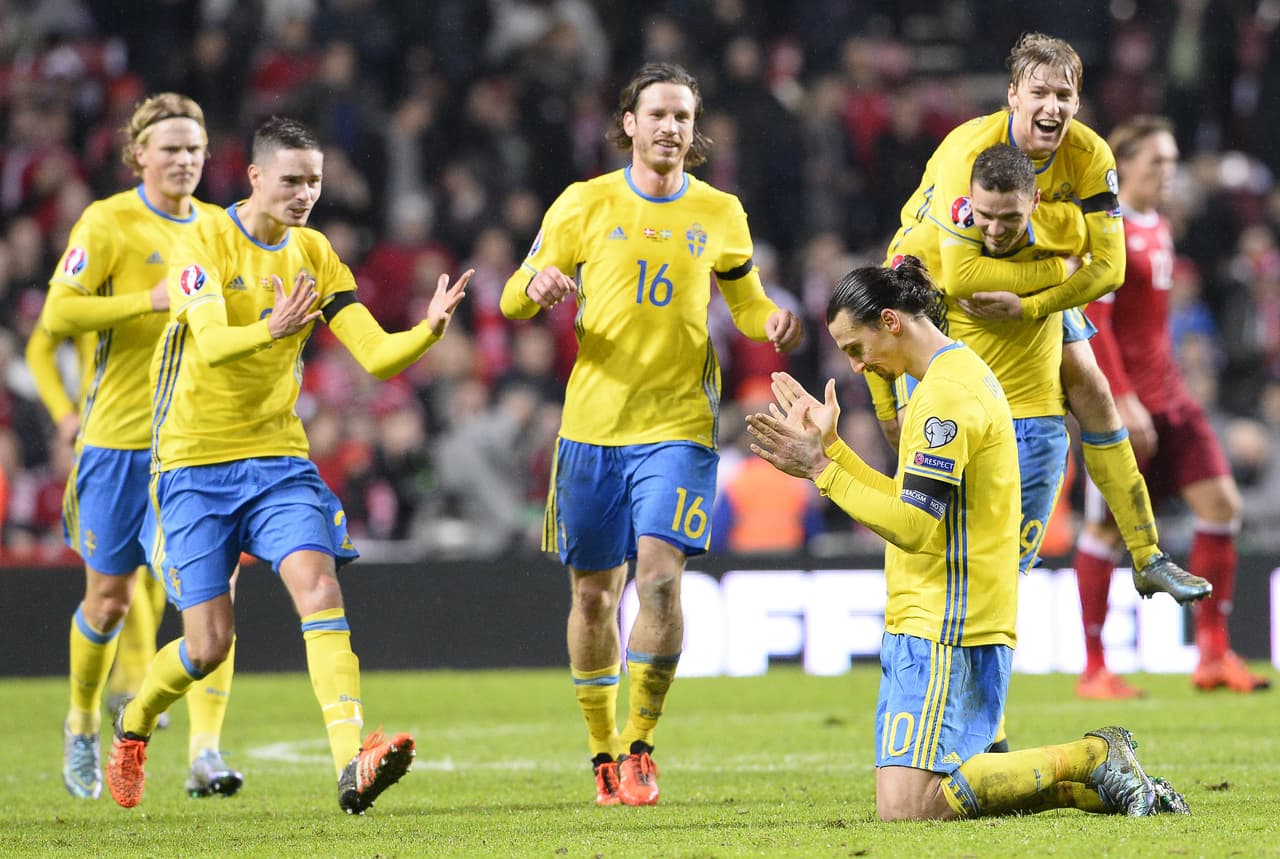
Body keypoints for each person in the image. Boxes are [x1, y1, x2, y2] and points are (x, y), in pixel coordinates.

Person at [105, 116, 473, 814]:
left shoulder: (315, 252)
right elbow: (210, 343)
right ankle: (132, 723)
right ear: (254, 177)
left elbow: (371, 351)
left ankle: (351, 762)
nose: (306, 193)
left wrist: (426, 331)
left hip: (277, 460)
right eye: (292, 179)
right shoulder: (202, 240)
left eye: (315, 181)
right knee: (208, 644)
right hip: (192, 466)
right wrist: (271, 327)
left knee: (319, 586)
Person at [746, 259, 1189, 821]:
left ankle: (1093, 757)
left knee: (910, 806)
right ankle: (1118, 788)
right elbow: (909, 501)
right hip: (954, 613)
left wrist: (821, 472)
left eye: (857, 348)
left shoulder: (945, 400)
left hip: (945, 623)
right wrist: (830, 451)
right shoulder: (954, 377)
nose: (857, 368)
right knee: (934, 795)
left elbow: (911, 526)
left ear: (890, 321)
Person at [500, 62, 803, 807]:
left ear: (695, 132)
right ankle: (601, 751)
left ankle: (640, 744)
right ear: (629, 124)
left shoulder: (720, 211)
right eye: (657, 114)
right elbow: (513, 295)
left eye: (683, 117)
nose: (671, 127)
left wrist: (772, 323)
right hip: (591, 432)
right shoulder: (583, 203)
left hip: (677, 426)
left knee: (661, 578)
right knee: (596, 598)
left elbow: (748, 299)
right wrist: (535, 288)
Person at [866, 32, 1209, 606]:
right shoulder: (964, 154)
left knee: (1095, 391)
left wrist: (1033, 301)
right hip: (929, 277)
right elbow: (967, 276)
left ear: (1077, 101)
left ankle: (1147, 554)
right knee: (940, 422)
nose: (1052, 107)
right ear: (1012, 98)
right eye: (1039, 93)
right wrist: (1071, 234)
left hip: (1033, 277)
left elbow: (1111, 270)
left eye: (1065, 95)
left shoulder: (1090, 154)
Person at [32, 93, 240, 801]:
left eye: (194, 148)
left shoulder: (220, 227)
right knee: (111, 600)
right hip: (117, 445)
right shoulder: (108, 220)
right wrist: (145, 301)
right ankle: (83, 720)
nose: (183, 159)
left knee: (213, 598)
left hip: (195, 448)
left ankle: (206, 751)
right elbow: (58, 313)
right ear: (138, 156)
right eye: (170, 148)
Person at [1072, 115, 1270, 698]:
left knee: (1222, 506)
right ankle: (1094, 667)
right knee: (1105, 533)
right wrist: (1122, 400)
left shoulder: (1159, 225)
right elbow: (1095, 323)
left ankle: (1213, 654)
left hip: (1173, 400)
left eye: (1172, 162)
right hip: (1124, 406)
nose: (1167, 173)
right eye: (1156, 162)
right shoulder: (1105, 231)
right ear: (1124, 165)